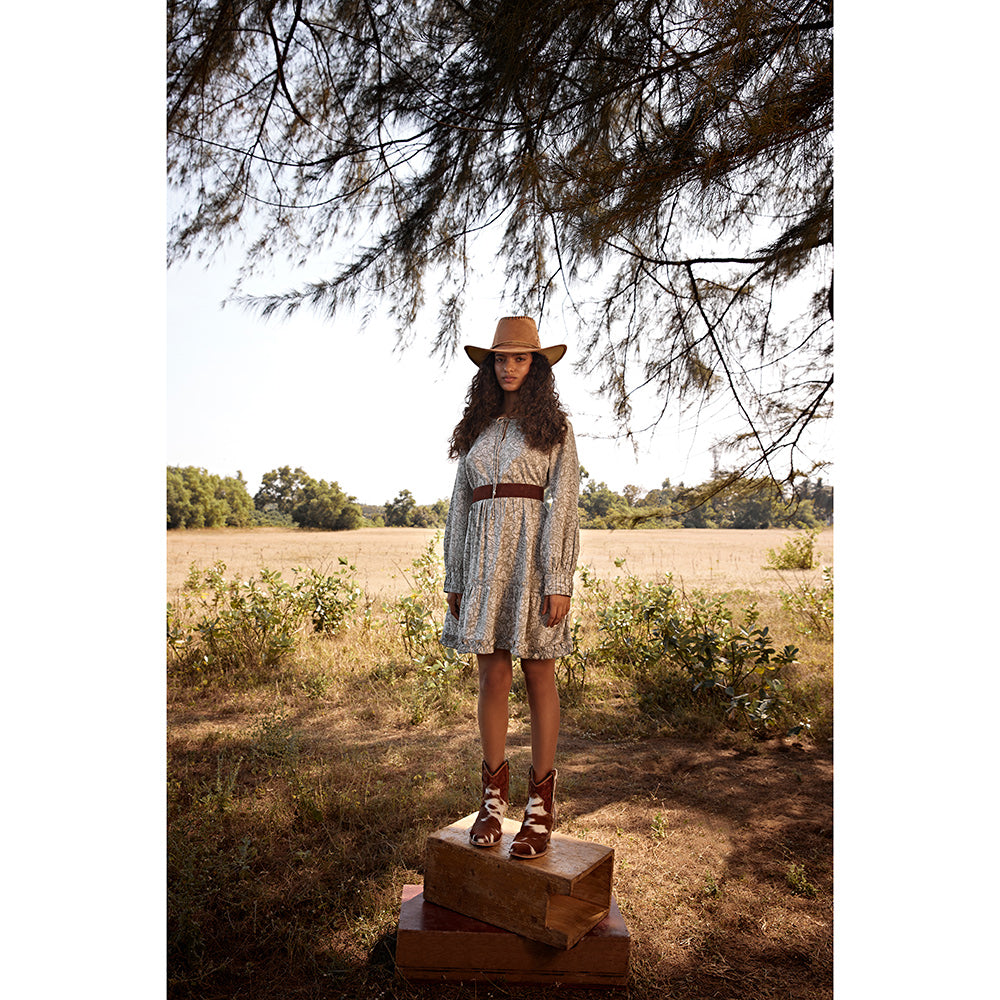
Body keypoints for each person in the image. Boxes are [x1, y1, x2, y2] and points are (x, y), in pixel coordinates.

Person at [441, 315, 580, 859]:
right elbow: (458, 504)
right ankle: (492, 801)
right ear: (489, 366)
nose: (508, 367)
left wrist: (558, 577)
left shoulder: (555, 430)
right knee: (492, 675)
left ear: (537, 365)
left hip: (532, 561)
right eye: (500, 358)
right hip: (480, 562)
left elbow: (563, 504)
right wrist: (455, 573)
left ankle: (541, 807)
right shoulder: (476, 430)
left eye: (519, 358)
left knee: (538, 672)